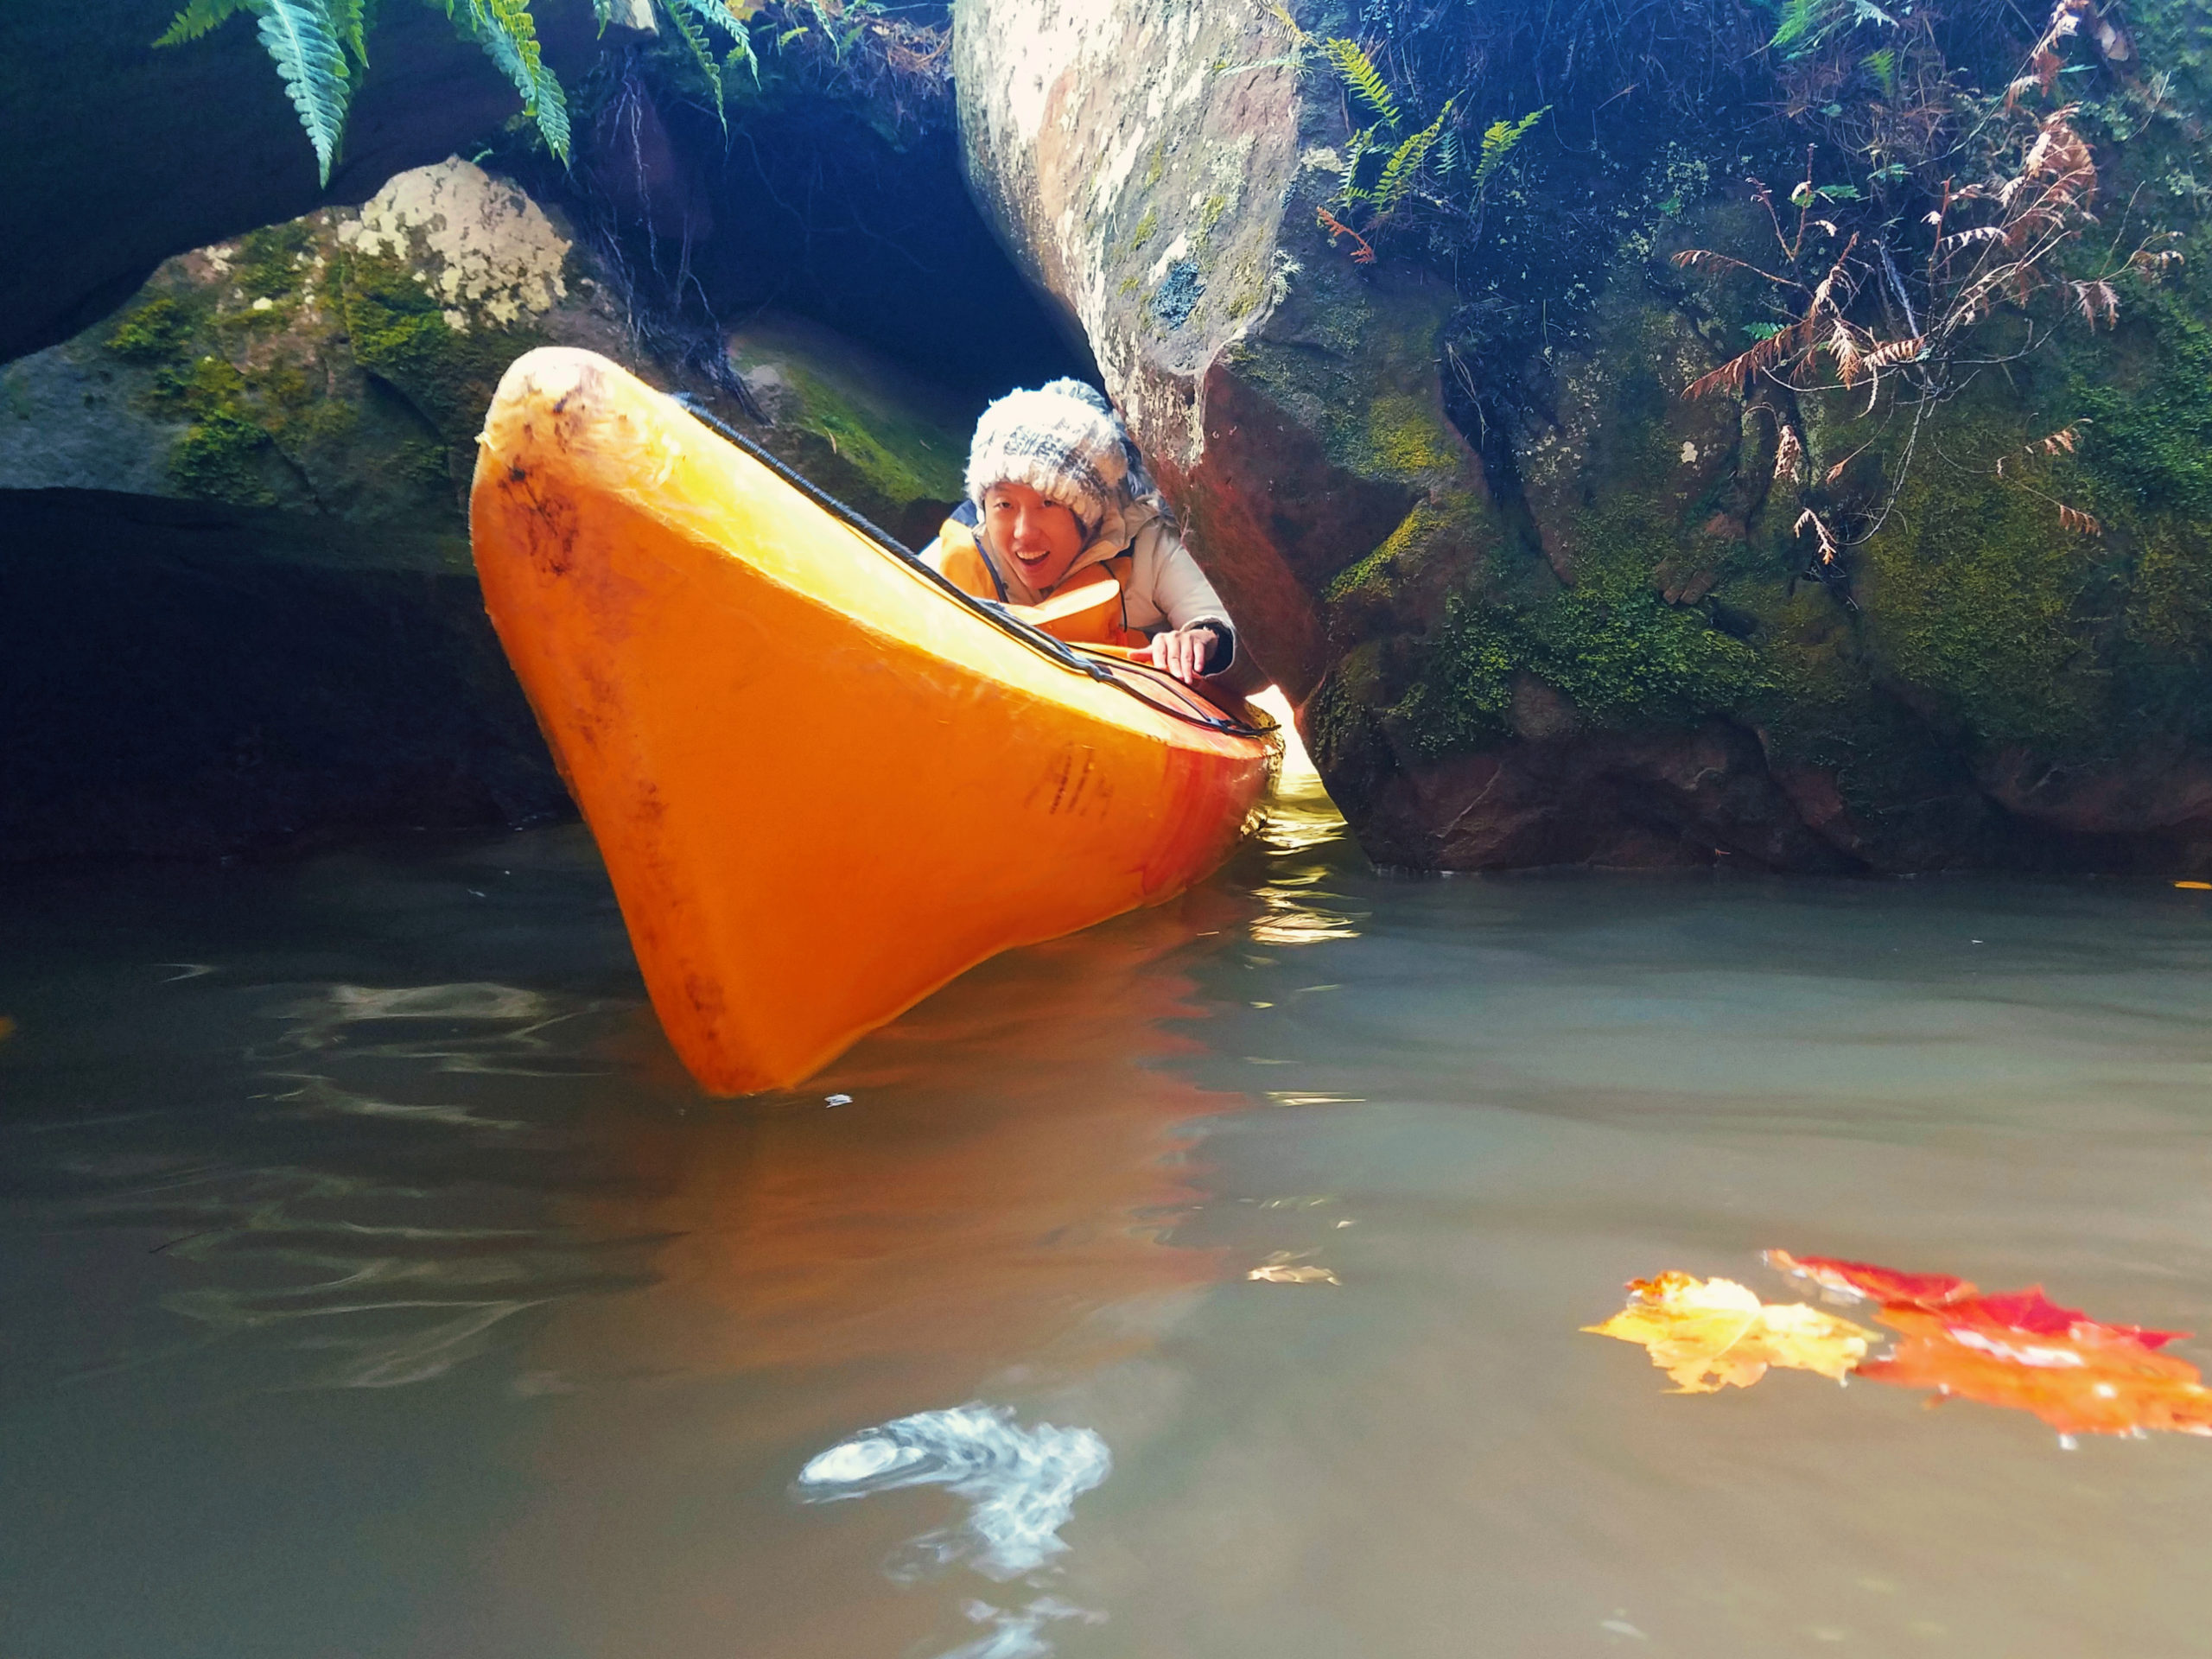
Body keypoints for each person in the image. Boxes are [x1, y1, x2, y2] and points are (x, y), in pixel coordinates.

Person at [920, 379, 1237, 686]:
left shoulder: (1150, 544)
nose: (1024, 533)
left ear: (1089, 512)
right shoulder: (966, 539)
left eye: (1048, 503)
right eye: (1004, 504)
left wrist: (1202, 640)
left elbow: (1233, 636)